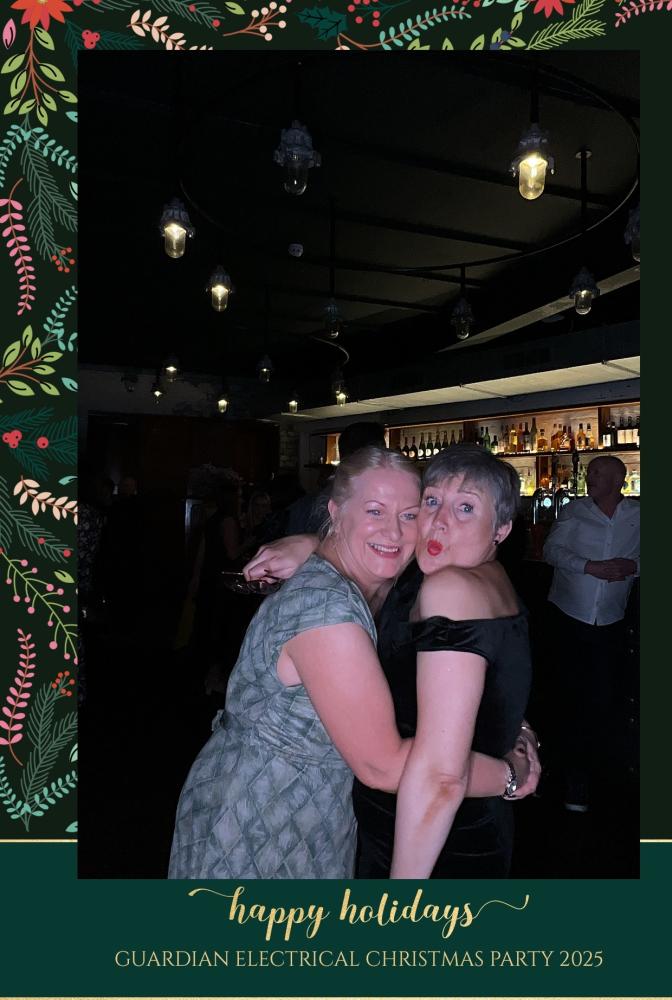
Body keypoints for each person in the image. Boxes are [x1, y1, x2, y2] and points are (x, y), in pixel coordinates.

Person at [169, 447, 533, 879]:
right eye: (376, 510)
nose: (398, 530)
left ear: (503, 528)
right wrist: (511, 772)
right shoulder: (328, 610)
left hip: (328, 815)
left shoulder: (412, 583)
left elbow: (480, 670)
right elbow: (385, 765)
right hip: (261, 816)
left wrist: (514, 727)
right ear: (335, 512)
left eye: (409, 514)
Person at [543, 454, 639, 813]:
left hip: (611, 621)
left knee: (600, 700)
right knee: (563, 696)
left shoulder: (639, 515)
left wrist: (635, 565)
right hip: (568, 617)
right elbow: (552, 551)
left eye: (597, 472)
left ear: (618, 479)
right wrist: (588, 566)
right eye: (590, 471)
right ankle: (555, 772)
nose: (589, 477)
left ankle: (589, 777)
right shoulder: (574, 510)